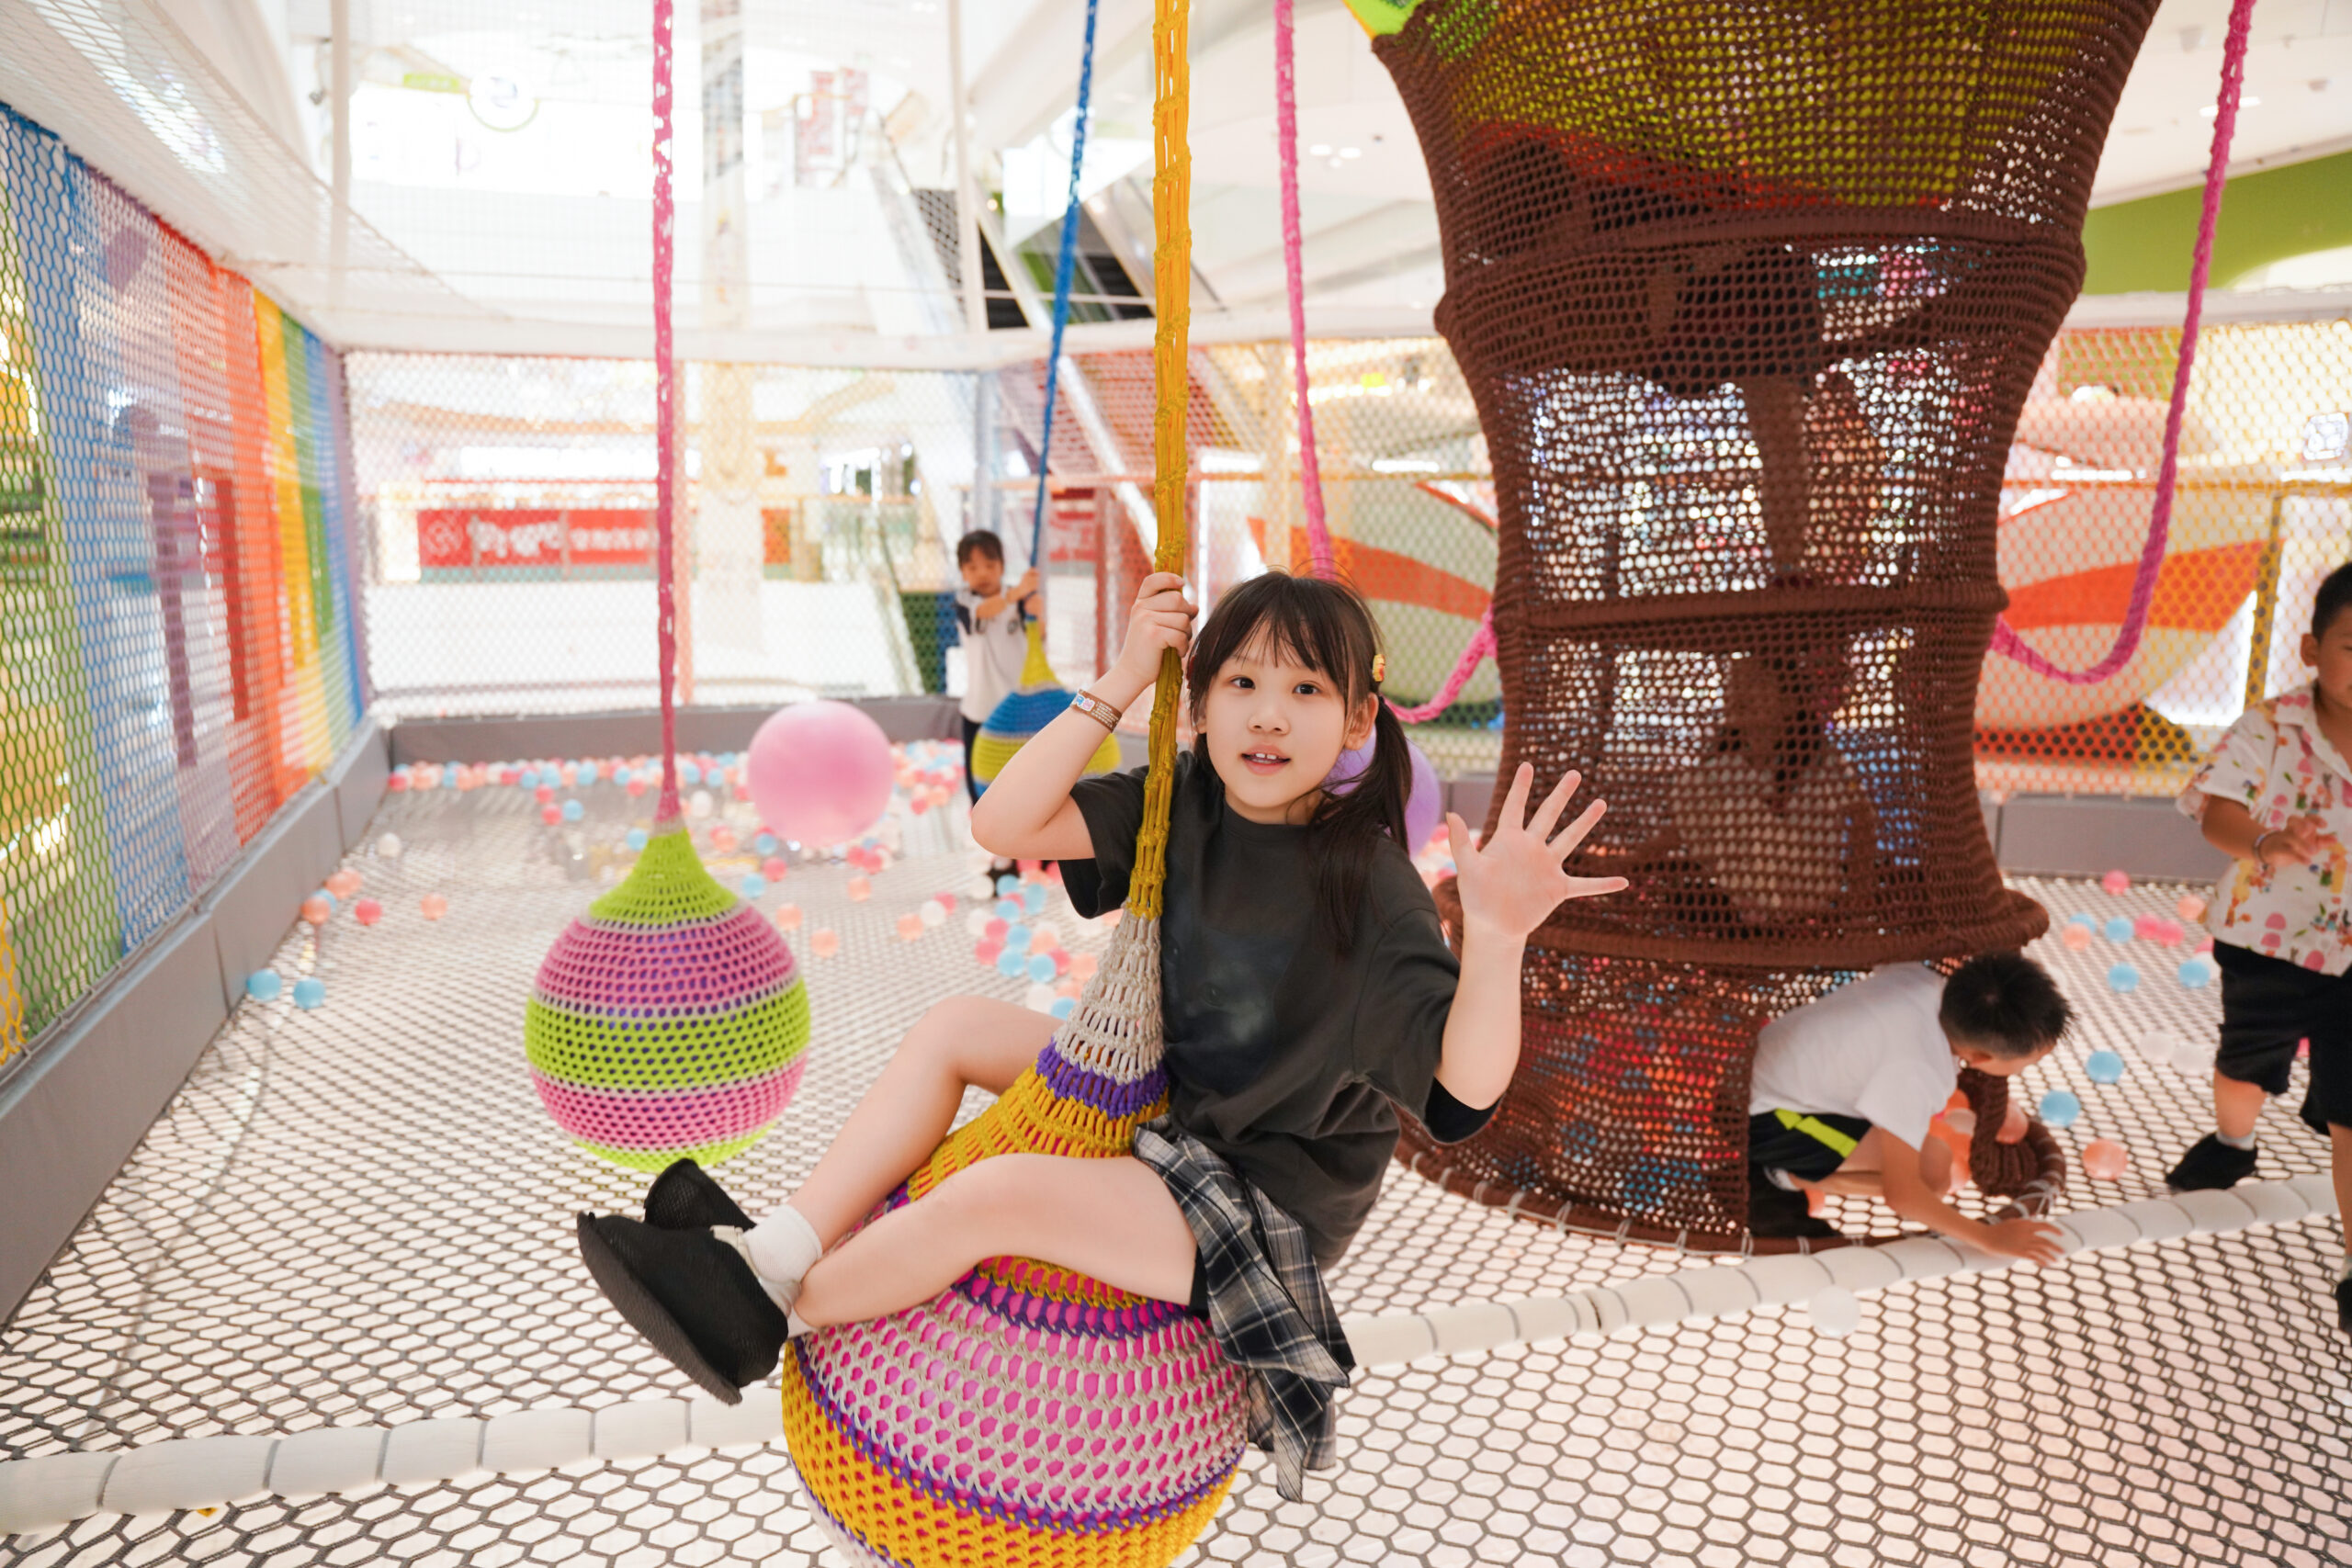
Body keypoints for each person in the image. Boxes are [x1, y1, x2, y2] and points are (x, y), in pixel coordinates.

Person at [574, 570, 1626, 1493]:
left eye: (1307, 690)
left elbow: (1458, 1098)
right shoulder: (1186, 800)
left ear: (1358, 723)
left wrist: (1497, 939)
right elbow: (1001, 823)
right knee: (955, 1026)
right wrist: (1121, 679)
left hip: (1258, 1195)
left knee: (994, 1194)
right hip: (1168, 1101)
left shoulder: (1369, 887)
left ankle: (770, 1320)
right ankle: (773, 1253)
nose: (1269, 715)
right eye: (1242, 683)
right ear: (1199, 706)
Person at [2165, 558, 2352, 1337]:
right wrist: (2269, 841)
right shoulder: (2270, 727)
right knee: (2247, 1064)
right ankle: (2234, 1141)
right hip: (2268, 940)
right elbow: (2217, 814)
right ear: (2312, 650)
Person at [1746, 952, 2071, 1263]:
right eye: (2029, 1062)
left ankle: (1793, 1170)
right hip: (1766, 1117)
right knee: (1931, 1179)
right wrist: (1987, 1237)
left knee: (1936, 1158)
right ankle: (1783, 1176)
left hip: (1767, 1071)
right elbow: (1902, 1195)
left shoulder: (1919, 978)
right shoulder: (1918, 1071)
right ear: (1981, 1058)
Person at [952, 529, 1037, 881]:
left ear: (1002, 565)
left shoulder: (1020, 599)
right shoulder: (964, 603)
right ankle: (1004, 859)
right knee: (982, 793)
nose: (982, 573)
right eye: (972, 567)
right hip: (980, 714)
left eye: (990, 564)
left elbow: (1038, 630)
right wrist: (1018, 593)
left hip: (1018, 716)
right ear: (962, 572)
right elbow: (988, 610)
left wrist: (1034, 606)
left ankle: (1034, 853)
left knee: (1026, 787)